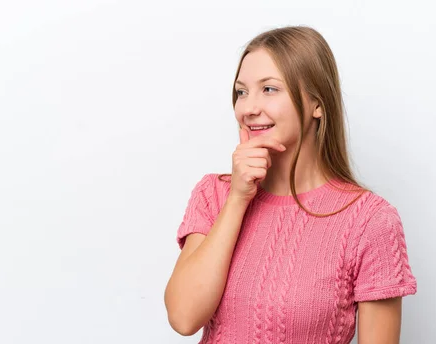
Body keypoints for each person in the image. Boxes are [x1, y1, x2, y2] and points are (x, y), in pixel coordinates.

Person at [164, 25, 417, 344]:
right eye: (242, 92)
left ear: (318, 103)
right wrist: (238, 199)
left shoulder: (370, 221)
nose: (248, 108)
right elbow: (184, 317)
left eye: (269, 89)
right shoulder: (214, 194)